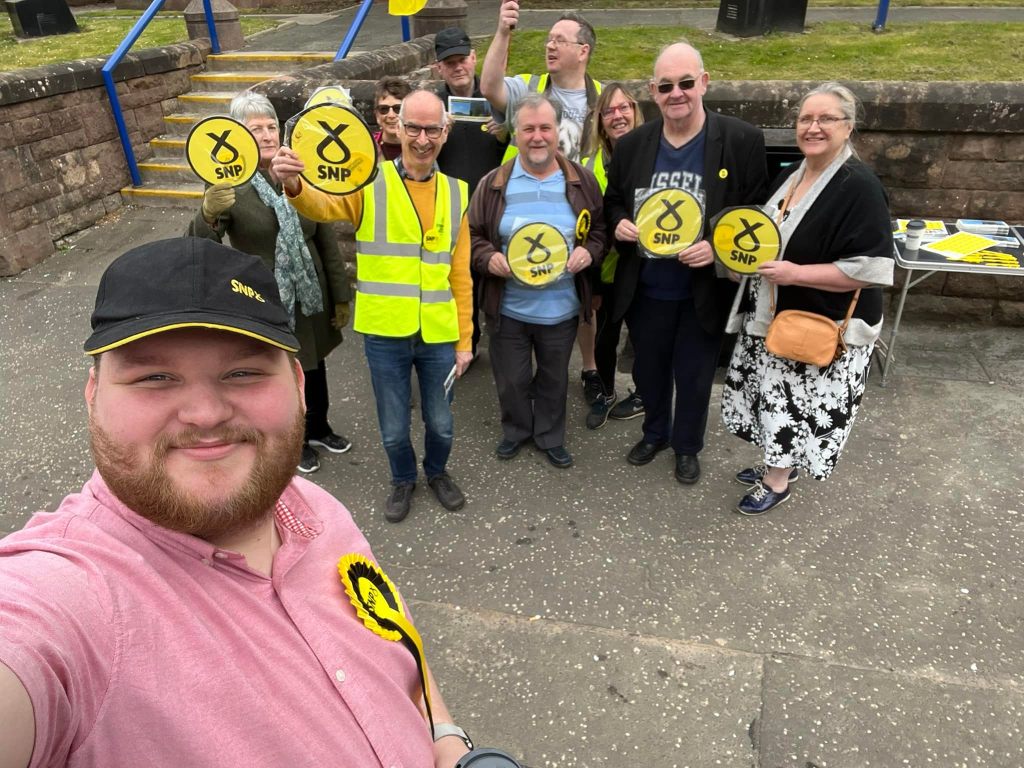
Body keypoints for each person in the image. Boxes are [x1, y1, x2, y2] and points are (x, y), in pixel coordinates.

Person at [0, 237, 473, 768]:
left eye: (243, 372)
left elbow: (394, 643)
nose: (205, 413)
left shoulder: (312, 506)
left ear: (297, 383)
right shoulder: (65, 600)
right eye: (154, 377)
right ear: (93, 395)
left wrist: (450, 743)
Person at [272, 90, 473, 523]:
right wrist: (292, 183)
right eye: (413, 127)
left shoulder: (459, 192)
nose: (422, 139)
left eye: (432, 129)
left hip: (439, 334)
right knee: (394, 425)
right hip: (385, 333)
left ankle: (437, 472)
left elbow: (461, 276)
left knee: (440, 423)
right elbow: (322, 204)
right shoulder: (370, 179)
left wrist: (466, 341)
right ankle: (403, 478)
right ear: (396, 128)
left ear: (445, 131)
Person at [721, 82, 894, 515]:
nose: (813, 127)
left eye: (825, 119)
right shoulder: (793, 174)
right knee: (775, 394)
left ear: (848, 127)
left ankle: (776, 481)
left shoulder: (859, 186)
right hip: (777, 312)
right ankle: (780, 463)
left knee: (792, 400)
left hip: (819, 320)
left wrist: (796, 273)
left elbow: (870, 270)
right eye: (805, 119)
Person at [604, 41, 769, 485]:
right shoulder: (633, 145)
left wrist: (717, 247)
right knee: (648, 369)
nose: (676, 93)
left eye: (686, 83)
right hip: (647, 286)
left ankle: (687, 446)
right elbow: (614, 201)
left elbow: (756, 213)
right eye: (665, 85)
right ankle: (654, 431)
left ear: (704, 83)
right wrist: (619, 223)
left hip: (702, 289)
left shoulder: (740, 140)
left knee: (695, 376)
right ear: (652, 92)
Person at [187, 91, 351, 475]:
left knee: (316, 364)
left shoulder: (298, 171)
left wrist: (340, 294)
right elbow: (200, 245)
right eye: (255, 127)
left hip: (311, 292)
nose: (266, 134)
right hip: (266, 295)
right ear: (238, 135)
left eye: (271, 125)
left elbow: (324, 237)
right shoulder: (229, 185)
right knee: (282, 371)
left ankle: (320, 427)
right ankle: (293, 442)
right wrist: (208, 212)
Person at [469, 93, 606, 469]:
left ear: (556, 130)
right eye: (528, 128)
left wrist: (588, 253)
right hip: (509, 306)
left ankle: (549, 435)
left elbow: (598, 232)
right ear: (515, 134)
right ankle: (515, 430)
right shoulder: (493, 184)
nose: (537, 136)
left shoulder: (581, 181)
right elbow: (473, 236)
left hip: (560, 307)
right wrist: (489, 258)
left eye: (545, 127)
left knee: (553, 378)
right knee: (511, 380)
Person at [433, 26, 509, 360]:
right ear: (439, 68)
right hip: (450, 212)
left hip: (495, 210)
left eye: (462, 59)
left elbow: (527, 146)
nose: (457, 67)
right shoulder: (432, 107)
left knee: (497, 281)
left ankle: (506, 347)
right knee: (458, 281)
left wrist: (507, 131)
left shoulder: (498, 97)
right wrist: (434, 137)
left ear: (474, 58)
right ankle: (467, 343)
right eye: (449, 62)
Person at [578, 82, 645, 430]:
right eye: (609, 111)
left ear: (635, 110)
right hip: (603, 268)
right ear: (600, 121)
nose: (617, 116)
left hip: (645, 266)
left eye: (624, 108)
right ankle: (605, 391)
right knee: (604, 333)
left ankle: (643, 391)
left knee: (646, 334)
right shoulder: (589, 162)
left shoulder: (655, 153)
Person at [480, 2, 601, 163]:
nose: (550, 46)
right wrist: (503, 31)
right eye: (549, 40)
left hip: (584, 188)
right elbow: (489, 87)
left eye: (560, 40)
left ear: (583, 52)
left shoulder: (604, 99)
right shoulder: (528, 89)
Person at [373, 76, 411, 162]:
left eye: (398, 109)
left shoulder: (421, 145)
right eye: (384, 109)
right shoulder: (368, 145)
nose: (391, 115)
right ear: (376, 114)